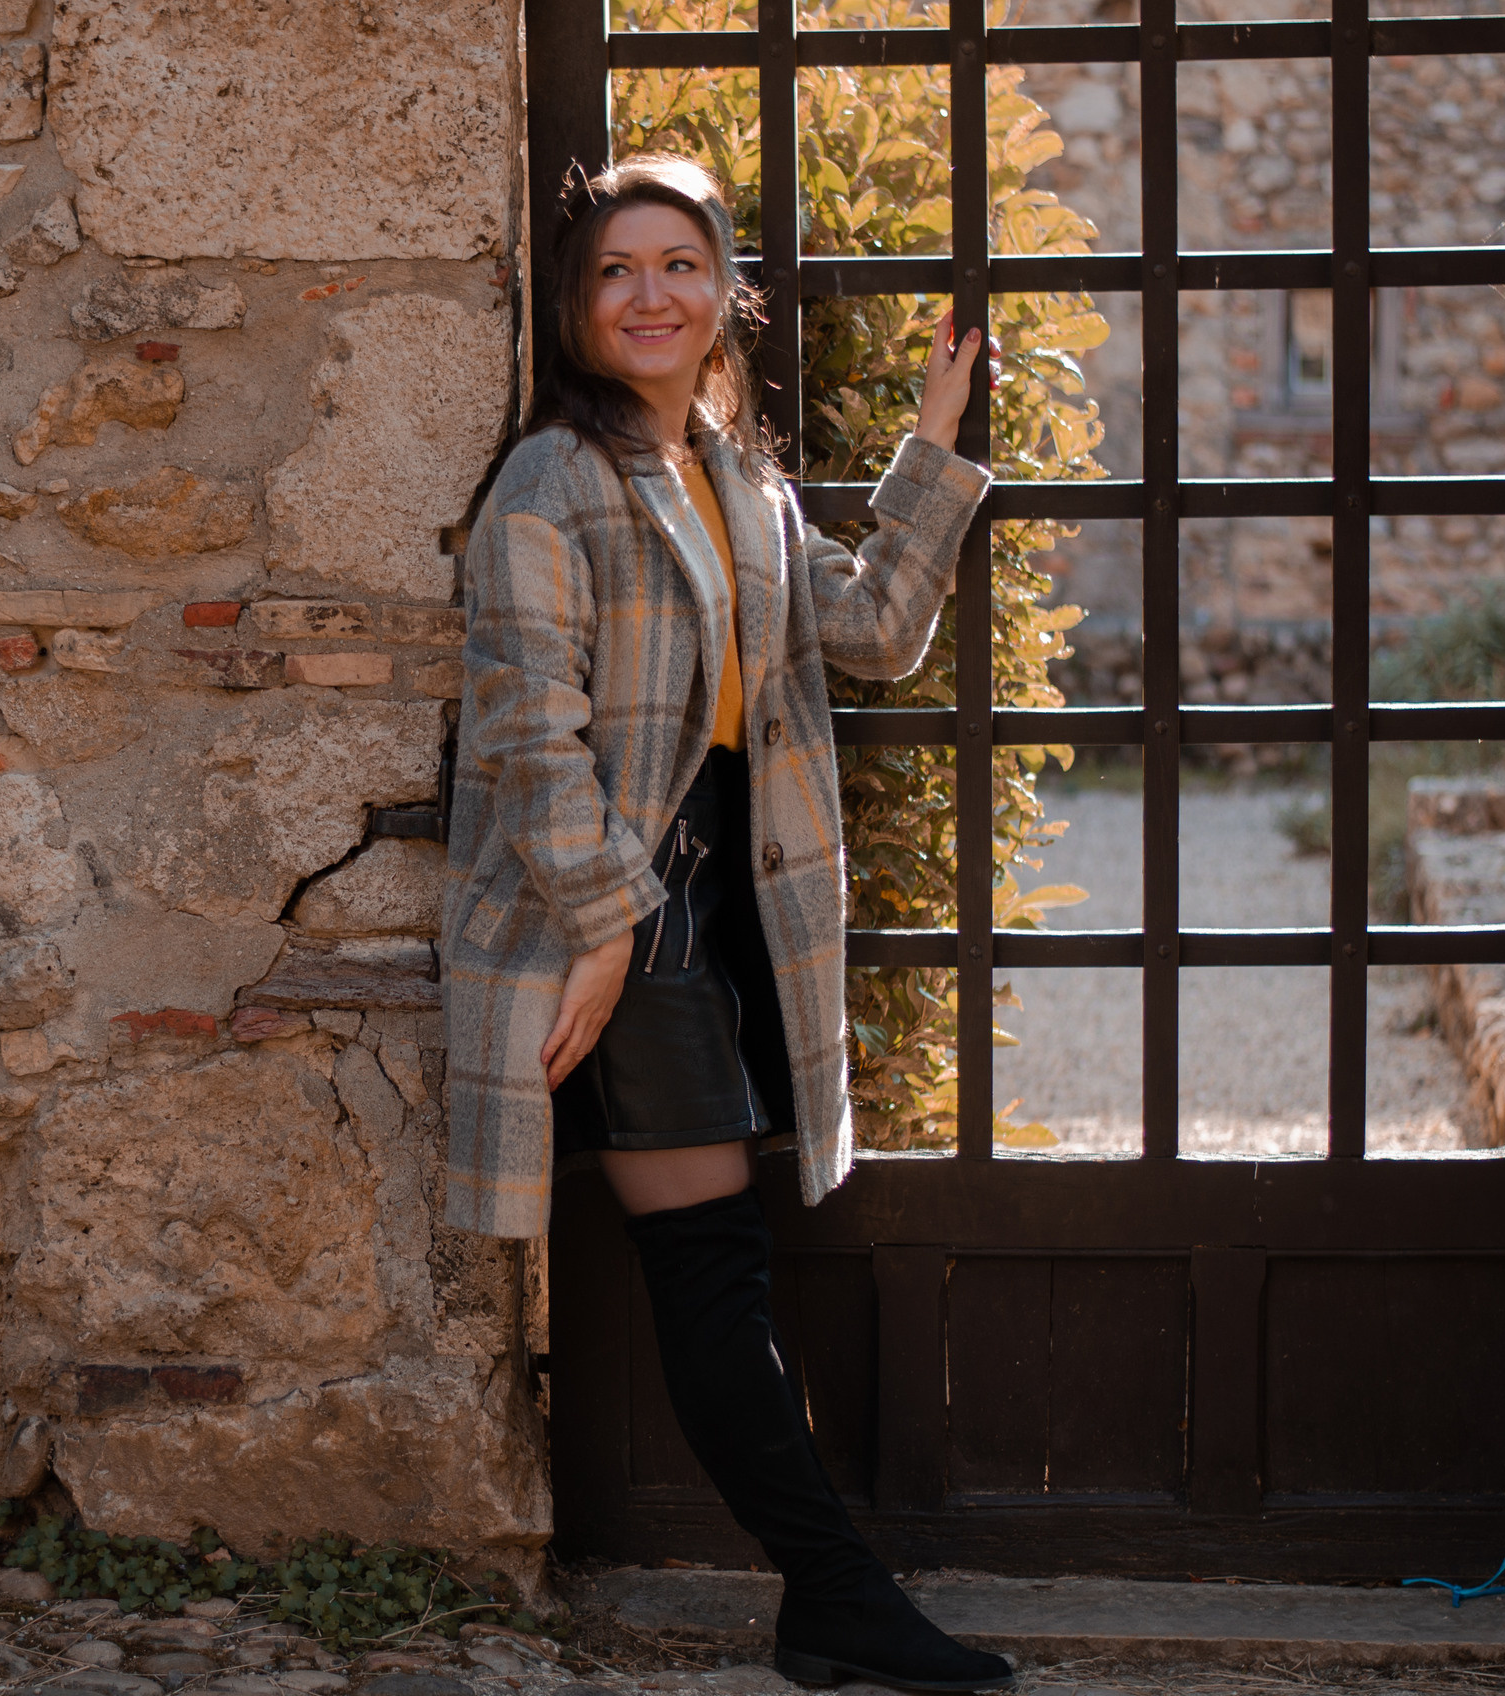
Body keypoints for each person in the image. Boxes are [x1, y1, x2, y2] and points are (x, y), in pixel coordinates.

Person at [440, 153, 1009, 1692]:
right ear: (577, 305)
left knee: (727, 1254)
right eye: (617, 269)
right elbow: (521, 726)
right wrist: (613, 926)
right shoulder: (550, 479)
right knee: (711, 1265)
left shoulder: (739, 477)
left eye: (679, 264)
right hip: (627, 907)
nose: (650, 294)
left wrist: (936, 445)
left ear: (721, 293)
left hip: (733, 902)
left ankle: (829, 1596)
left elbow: (875, 631)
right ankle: (833, 1597)